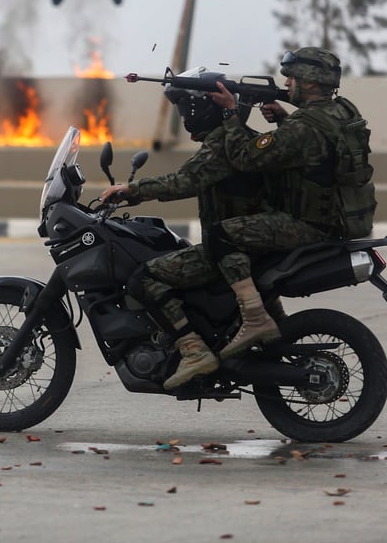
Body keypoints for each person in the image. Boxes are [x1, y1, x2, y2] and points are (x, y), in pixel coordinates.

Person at [189, 47, 376, 372]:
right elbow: (320, 149)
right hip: (341, 218)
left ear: (310, 82)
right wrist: (285, 118)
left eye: (292, 77)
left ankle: (255, 318)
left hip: (308, 223)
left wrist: (231, 114)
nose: (286, 82)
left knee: (221, 235)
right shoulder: (344, 110)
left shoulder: (304, 125)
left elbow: (247, 158)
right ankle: (275, 327)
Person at [98, 75, 271, 390]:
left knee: (142, 278)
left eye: (187, 110)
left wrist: (131, 190)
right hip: (247, 244)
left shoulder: (222, 143)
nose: (186, 118)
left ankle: (193, 350)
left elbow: (185, 180)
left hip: (233, 250)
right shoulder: (238, 136)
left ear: (205, 109)